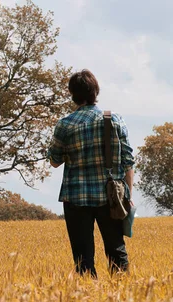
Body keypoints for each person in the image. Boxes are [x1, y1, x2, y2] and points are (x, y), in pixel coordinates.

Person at [47, 69, 135, 278]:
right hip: (110, 197)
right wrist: (128, 196)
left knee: (83, 258)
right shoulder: (114, 120)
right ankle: (123, 300)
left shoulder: (65, 124)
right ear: (96, 91)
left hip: (76, 198)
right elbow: (128, 161)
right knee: (116, 251)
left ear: (72, 94)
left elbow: (54, 162)